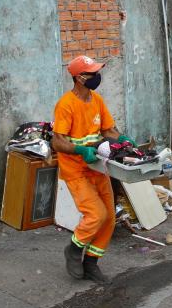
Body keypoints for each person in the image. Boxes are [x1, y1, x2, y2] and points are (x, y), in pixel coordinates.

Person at [52, 55, 136, 283]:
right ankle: (73, 248)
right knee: (96, 215)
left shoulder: (97, 100)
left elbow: (109, 130)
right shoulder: (66, 104)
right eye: (92, 73)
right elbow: (57, 142)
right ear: (79, 78)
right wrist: (81, 151)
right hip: (76, 171)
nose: (97, 77)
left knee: (109, 218)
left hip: (98, 168)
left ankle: (91, 263)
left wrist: (125, 141)